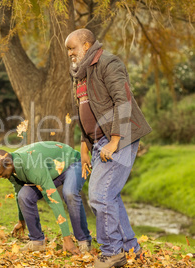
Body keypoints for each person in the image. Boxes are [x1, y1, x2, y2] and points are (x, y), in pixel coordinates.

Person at [64, 29, 152, 268]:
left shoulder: (107, 63)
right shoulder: (80, 74)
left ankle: (112, 253)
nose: (70, 53)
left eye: (73, 47)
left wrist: (114, 140)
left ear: (87, 44)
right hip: (98, 142)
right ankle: (131, 249)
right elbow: (84, 112)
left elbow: (123, 102)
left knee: (100, 197)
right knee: (109, 196)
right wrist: (84, 148)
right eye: (68, 49)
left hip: (121, 138)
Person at [0, 141, 92, 255]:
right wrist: (21, 221)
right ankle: (37, 241)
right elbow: (18, 193)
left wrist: (66, 238)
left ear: (8, 164)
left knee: (69, 193)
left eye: (0, 173)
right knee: (24, 195)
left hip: (71, 163)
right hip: (50, 171)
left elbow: (53, 199)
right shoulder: (10, 168)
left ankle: (83, 241)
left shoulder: (30, 166)